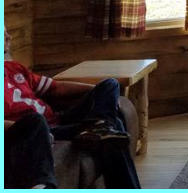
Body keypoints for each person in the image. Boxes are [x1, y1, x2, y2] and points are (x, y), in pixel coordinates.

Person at [4, 27, 141, 189]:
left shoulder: (13, 68)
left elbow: (55, 88)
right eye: (2, 33)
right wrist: (35, 132)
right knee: (115, 126)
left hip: (59, 119)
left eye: (7, 32)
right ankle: (101, 128)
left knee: (110, 84)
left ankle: (100, 126)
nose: (9, 37)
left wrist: (98, 94)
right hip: (43, 130)